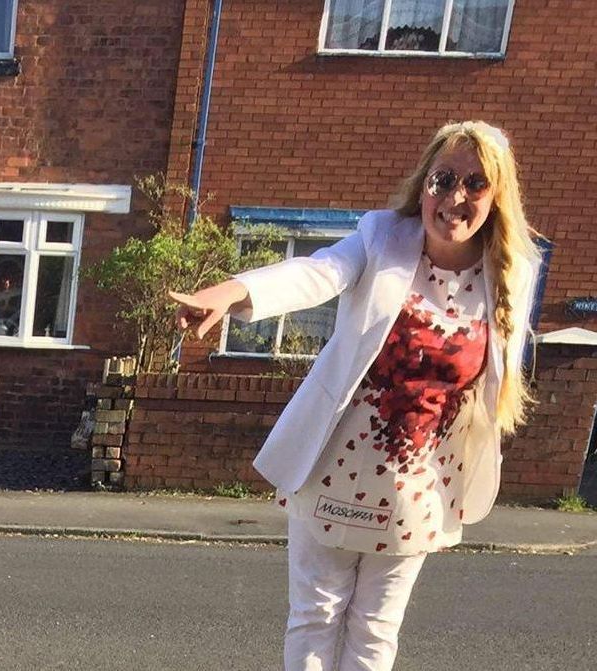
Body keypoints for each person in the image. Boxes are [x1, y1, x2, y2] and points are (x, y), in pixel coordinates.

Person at [170, 121, 541, 671]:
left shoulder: (513, 271)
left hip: (421, 482)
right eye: (443, 179)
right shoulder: (382, 237)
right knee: (315, 616)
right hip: (334, 466)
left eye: (474, 183)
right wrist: (233, 292)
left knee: (375, 632)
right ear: (423, 185)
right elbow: (317, 274)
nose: (455, 197)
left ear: (497, 194)